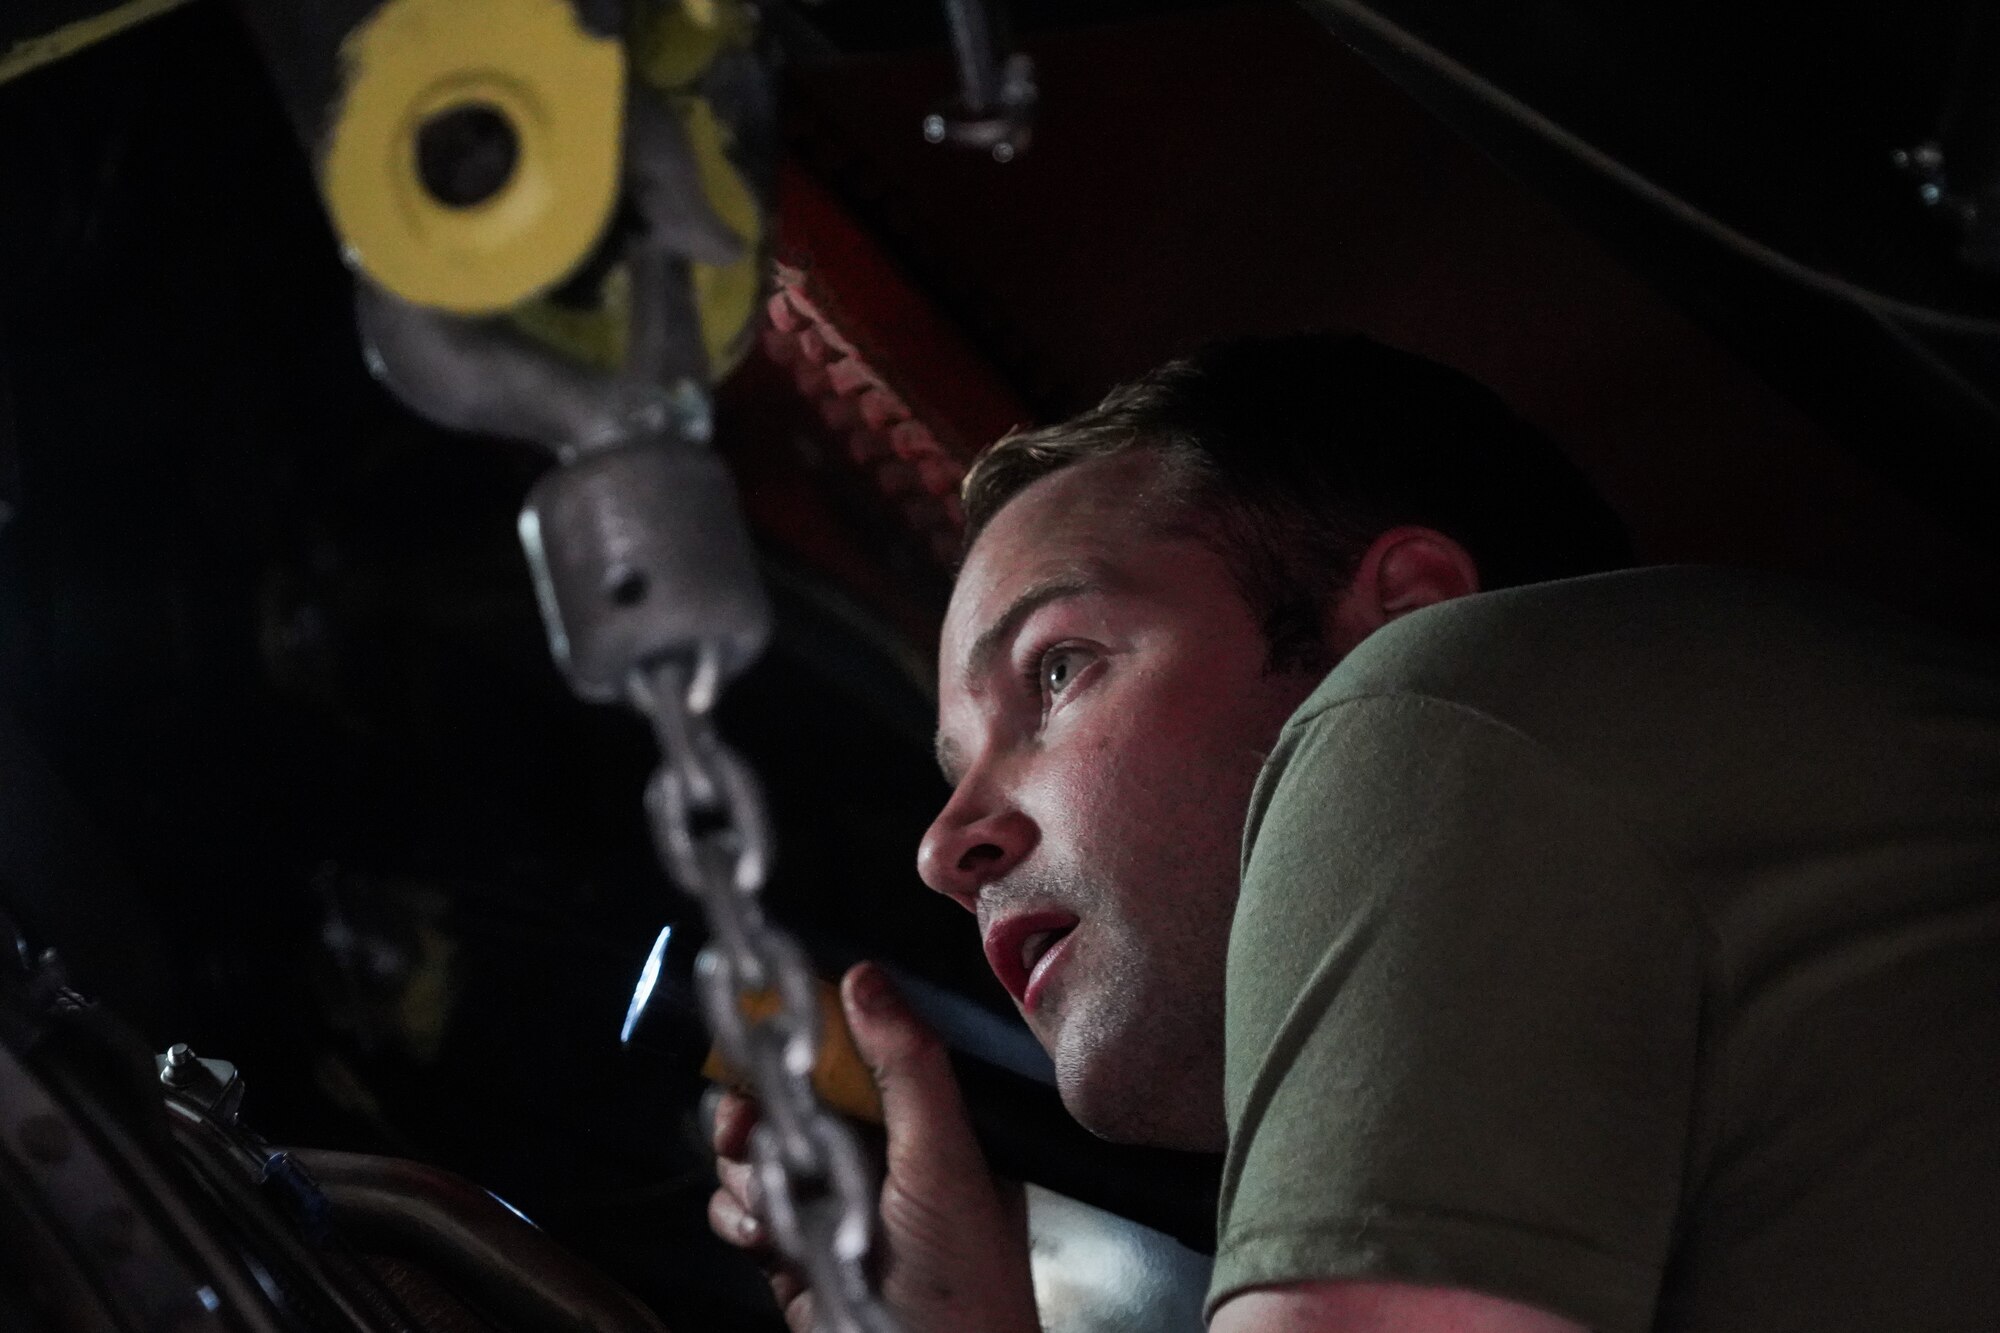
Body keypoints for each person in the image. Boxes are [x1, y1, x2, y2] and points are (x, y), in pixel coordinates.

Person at [707, 332, 2000, 1333]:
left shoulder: (1430, 706)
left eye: (1055, 671)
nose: (946, 846)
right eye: (953, 761)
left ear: (1395, 615)